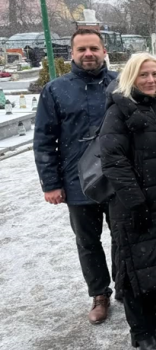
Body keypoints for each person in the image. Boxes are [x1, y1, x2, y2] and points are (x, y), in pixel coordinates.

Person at [100, 53, 156, 350]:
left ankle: (152, 325)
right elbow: (113, 160)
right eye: (143, 75)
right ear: (131, 77)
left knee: (152, 267)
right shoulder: (120, 109)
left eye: (155, 74)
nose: (151, 80)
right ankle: (140, 331)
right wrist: (136, 203)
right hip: (132, 205)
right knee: (133, 269)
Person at [34, 29, 118, 324]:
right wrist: (51, 183)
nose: (88, 54)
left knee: (124, 236)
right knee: (88, 241)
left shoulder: (120, 84)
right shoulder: (56, 90)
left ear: (104, 51)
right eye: (82, 49)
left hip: (118, 177)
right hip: (77, 181)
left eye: (93, 48)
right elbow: (44, 139)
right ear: (72, 53)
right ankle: (99, 293)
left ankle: (126, 284)